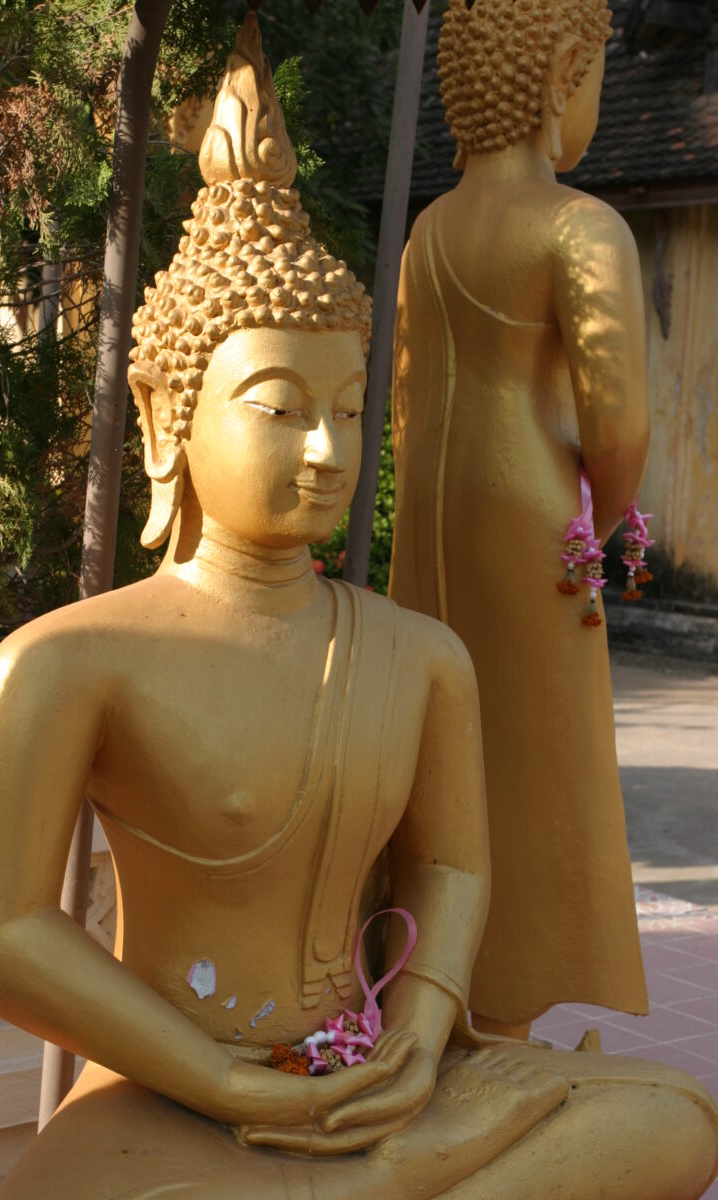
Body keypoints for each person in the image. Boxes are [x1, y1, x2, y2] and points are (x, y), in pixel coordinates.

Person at [0, 15, 718, 1199]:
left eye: (351, 410)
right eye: (277, 407)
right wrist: (229, 1083)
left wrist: (417, 1030)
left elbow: (450, 869)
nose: (325, 449)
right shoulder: (67, 660)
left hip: (368, 1075)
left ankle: (373, 1179)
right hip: (171, 1097)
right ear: (164, 422)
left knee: (674, 1119)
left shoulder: (419, 656)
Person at [390, 0, 650, 1036]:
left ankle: (436, 982)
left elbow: (406, 395)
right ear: (558, 73)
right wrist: (602, 521)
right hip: (535, 511)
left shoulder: (425, 232)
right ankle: (511, 1002)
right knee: (541, 759)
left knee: (440, 748)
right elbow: (618, 425)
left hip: (435, 508)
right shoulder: (580, 227)